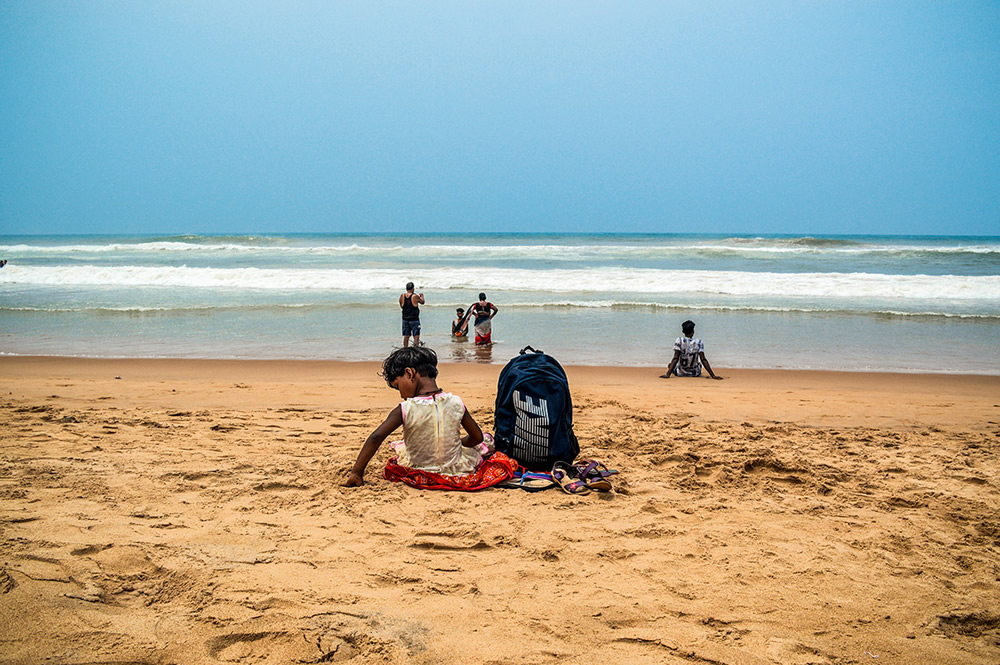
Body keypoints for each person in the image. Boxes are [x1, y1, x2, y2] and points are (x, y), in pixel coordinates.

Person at [344, 347, 512, 489]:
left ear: (409, 373)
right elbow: (477, 437)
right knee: (487, 441)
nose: (401, 394)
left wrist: (356, 473)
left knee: (404, 447)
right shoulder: (455, 402)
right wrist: (458, 444)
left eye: (398, 386)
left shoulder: (405, 408)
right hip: (455, 468)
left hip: (419, 469)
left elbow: (376, 437)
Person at [399, 282, 425, 348]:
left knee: (406, 336)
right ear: (413, 289)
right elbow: (422, 302)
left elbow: (401, 306)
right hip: (414, 319)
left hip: (405, 319)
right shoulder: (414, 296)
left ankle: (405, 349)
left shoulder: (402, 296)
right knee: (416, 336)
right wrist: (422, 296)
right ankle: (416, 348)